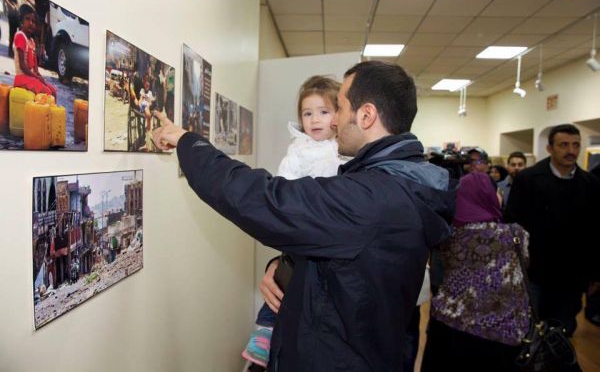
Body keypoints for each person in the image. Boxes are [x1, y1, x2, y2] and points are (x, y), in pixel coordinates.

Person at [153, 60, 456, 371]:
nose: (333, 120)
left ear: (366, 115)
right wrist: (284, 264)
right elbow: (340, 257)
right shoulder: (394, 185)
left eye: (338, 108)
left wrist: (187, 141)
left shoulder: (371, 198)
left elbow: (265, 199)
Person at [242, 75, 343, 370]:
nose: (314, 120)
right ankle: (264, 331)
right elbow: (282, 185)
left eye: (323, 112)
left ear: (339, 115)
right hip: (299, 226)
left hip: (326, 234)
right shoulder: (299, 148)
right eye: (307, 113)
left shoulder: (344, 151)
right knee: (282, 280)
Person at [421, 172, 530, 372]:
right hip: (502, 331)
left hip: (451, 327)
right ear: (489, 196)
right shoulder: (515, 234)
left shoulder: (447, 234)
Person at [505, 124, 600, 336]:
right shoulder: (528, 179)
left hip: (572, 275)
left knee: (562, 331)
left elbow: (595, 231)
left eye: (576, 145)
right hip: (535, 272)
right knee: (530, 329)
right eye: (563, 145)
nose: (571, 151)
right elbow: (513, 225)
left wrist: (595, 274)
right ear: (550, 148)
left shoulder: (590, 183)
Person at [13, 4, 56, 97]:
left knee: (53, 91)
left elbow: (35, 68)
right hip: (22, 78)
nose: (31, 23)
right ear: (21, 21)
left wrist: (40, 77)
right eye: (27, 19)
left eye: (33, 21)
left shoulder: (32, 41)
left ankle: (50, 112)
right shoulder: (20, 36)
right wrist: (37, 78)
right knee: (47, 93)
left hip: (31, 78)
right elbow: (23, 66)